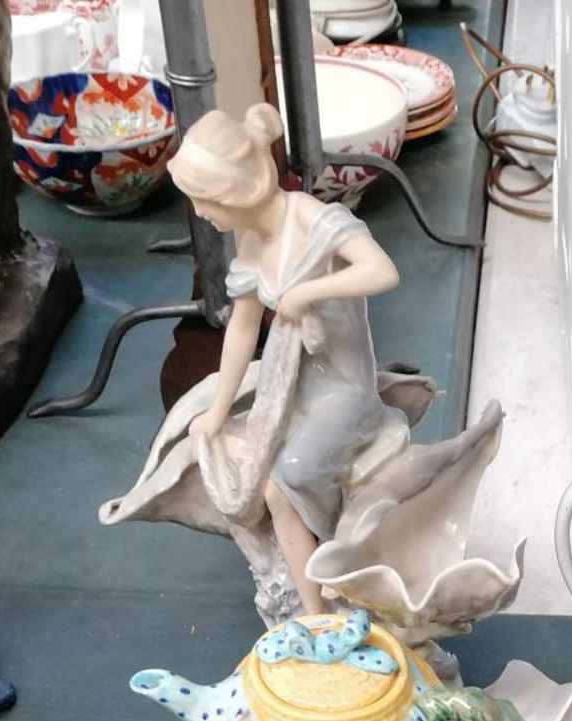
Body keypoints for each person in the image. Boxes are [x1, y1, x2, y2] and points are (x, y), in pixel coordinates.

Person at [170, 105, 402, 616]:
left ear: (235, 189)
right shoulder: (252, 241)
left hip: (344, 391)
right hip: (294, 388)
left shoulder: (316, 221)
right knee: (229, 457)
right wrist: (216, 411)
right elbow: (242, 327)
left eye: (205, 202)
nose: (202, 214)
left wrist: (310, 291)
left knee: (286, 482)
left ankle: (333, 592)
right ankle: (309, 615)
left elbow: (382, 271)